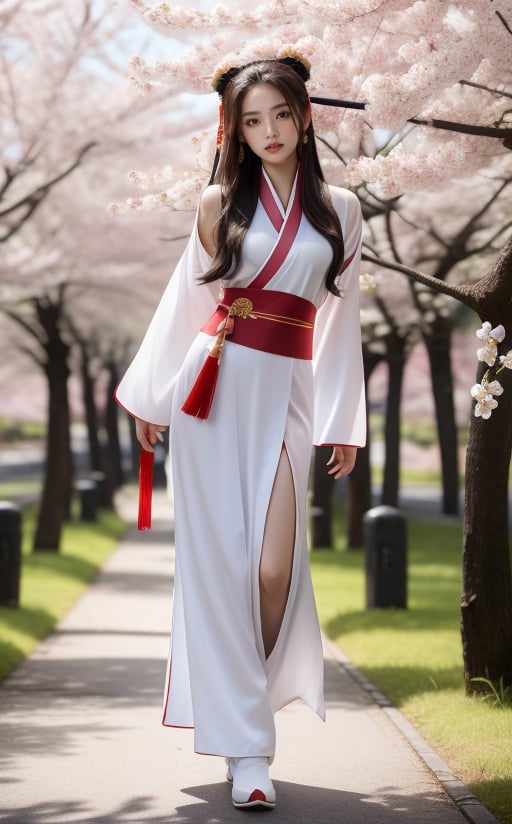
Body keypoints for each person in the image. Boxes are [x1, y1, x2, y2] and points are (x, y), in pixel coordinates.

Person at [115, 53, 366, 811]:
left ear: (305, 115)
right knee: (223, 572)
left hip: (287, 394)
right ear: (236, 128)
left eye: (280, 115)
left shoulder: (342, 209)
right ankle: (247, 751)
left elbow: (342, 321)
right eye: (252, 120)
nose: (269, 132)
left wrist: (340, 419)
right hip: (214, 390)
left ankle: (243, 714)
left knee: (270, 572)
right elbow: (185, 304)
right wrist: (154, 400)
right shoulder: (218, 201)